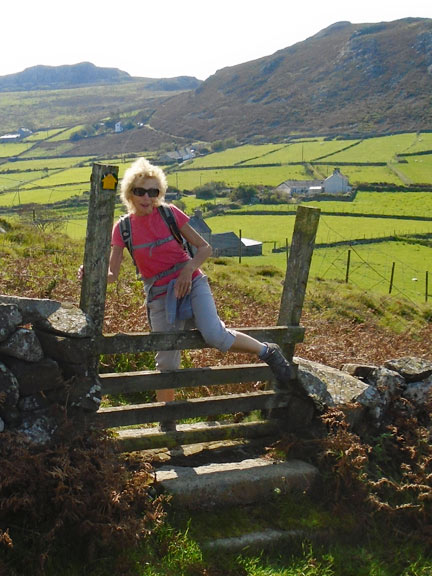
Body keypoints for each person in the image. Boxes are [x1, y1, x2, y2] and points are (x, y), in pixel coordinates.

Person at [83, 157, 298, 431]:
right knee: (167, 361)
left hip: (192, 281)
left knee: (214, 334)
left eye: (153, 192)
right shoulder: (122, 228)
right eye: (140, 191)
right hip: (159, 294)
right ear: (129, 193)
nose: (147, 198)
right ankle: (167, 422)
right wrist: (90, 274)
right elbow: (112, 275)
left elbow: (205, 248)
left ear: (160, 193)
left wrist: (187, 271)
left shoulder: (170, 213)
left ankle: (267, 351)